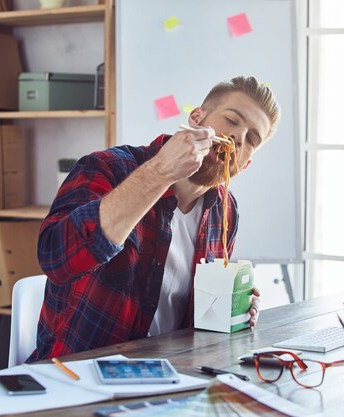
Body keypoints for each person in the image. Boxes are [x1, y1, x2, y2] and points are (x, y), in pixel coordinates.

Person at [27, 76, 281, 362]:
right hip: (78, 373)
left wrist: (230, 309)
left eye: (251, 139)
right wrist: (160, 172)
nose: (237, 138)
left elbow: (194, 320)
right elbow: (55, 259)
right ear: (197, 118)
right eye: (232, 121)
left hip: (171, 375)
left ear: (245, 165)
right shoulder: (107, 167)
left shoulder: (226, 211)